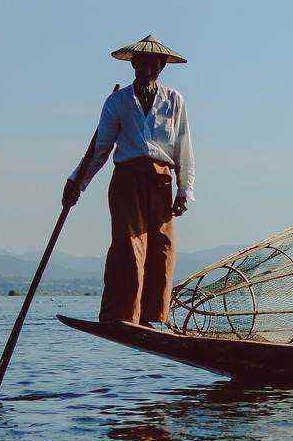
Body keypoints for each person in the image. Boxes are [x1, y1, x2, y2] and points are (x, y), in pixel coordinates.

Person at [64, 36, 196, 326]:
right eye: (142, 64)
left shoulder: (174, 101)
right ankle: (121, 315)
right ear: (134, 64)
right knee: (128, 245)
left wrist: (185, 188)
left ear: (161, 66)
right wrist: (78, 182)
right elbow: (100, 149)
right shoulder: (118, 101)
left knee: (161, 247)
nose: (147, 69)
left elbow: (183, 148)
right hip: (126, 181)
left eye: (153, 64)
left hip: (161, 183)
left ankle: (152, 316)